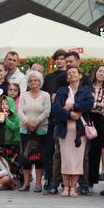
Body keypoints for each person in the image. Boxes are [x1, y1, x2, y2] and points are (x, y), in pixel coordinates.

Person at [51, 66, 95, 198]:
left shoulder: (86, 90)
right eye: (69, 73)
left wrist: (73, 106)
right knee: (65, 159)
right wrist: (70, 114)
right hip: (65, 130)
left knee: (77, 159)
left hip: (80, 131)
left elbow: (89, 104)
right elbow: (56, 108)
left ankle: (73, 188)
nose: (71, 74)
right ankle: (65, 187)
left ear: (80, 76)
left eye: (74, 72)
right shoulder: (62, 90)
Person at [17, 70, 50, 192]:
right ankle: (26, 184)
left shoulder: (45, 95)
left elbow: (47, 111)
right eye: (31, 80)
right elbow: (19, 111)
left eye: (36, 80)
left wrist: (35, 123)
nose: (33, 82)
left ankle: (38, 184)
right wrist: (27, 122)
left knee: (39, 157)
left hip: (41, 130)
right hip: (25, 130)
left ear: (40, 82)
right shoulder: (24, 95)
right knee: (26, 157)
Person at [42, 49, 66, 193]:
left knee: (63, 152)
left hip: (65, 118)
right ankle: (49, 180)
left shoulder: (70, 76)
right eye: (57, 59)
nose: (59, 61)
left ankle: (63, 180)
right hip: (50, 118)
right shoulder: (49, 78)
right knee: (49, 150)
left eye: (62, 58)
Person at [89, 65, 104, 189]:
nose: (101, 73)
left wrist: (93, 104)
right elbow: (85, 103)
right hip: (86, 118)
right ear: (95, 72)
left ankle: (91, 181)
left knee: (96, 151)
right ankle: (82, 180)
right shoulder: (88, 87)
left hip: (99, 120)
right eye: (100, 71)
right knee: (83, 150)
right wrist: (98, 104)